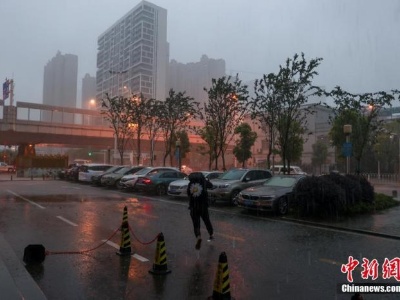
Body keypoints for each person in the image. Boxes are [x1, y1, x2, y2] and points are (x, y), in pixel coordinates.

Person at [187, 172, 214, 250]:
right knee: (206, 221)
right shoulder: (204, 182)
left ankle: (198, 237)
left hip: (193, 207)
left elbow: (188, 194)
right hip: (203, 207)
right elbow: (211, 185)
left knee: (196, 224)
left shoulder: (190, 184)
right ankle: (211, 234)